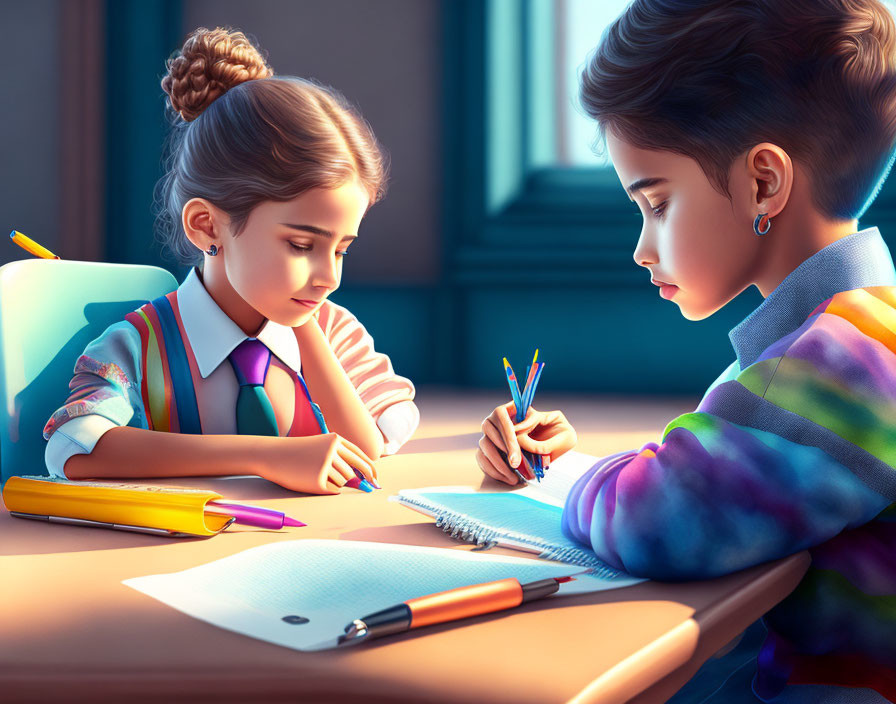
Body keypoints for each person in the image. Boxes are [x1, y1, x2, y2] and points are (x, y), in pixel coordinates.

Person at [476, 1, 896, 701]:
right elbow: (719, 467)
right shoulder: (850, 331)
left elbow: (655, 520)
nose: (642, 249)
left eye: (657, 204)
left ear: (763, 183)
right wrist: (581, 463)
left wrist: (577, 481)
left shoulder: (840, 363)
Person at [43, 27, 419, 495]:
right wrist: (261, 455)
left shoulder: (335, 333)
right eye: (302, 246)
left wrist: (304, 327)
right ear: (206, 225)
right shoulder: (138, 346)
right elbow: (72, 449)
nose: (329, 278)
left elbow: (372, 445)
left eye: (341, 249)